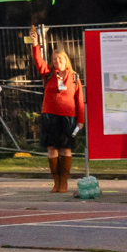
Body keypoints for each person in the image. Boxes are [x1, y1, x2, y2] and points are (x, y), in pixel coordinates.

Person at [35, 45, 83, 197]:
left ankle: (64, 181)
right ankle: (56, 181)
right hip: (49, 115)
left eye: (60, 59)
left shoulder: (74, 77)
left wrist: (80, 121)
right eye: (54, 59)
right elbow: (38, 61)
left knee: (65, 149)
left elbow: (79, 101)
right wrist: (35, 44)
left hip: (67, 116)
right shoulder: (48, 74)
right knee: (51, 149)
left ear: (66, 60)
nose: (57, 61)